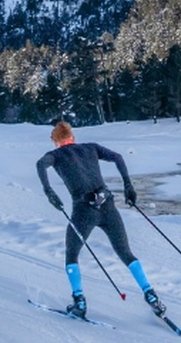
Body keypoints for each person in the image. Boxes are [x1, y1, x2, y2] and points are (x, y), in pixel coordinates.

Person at [36, 121, 165, 319]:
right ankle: (151, 295)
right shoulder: (91, 147)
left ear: (56, 141)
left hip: (83, 211)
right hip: (108, 207)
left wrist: (48, 191)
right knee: (125, 252)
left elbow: (40, 164)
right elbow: (118, 158)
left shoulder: (55, 155)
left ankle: (79, 301)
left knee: (71, 254)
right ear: (72, 137)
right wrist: (128, 186)